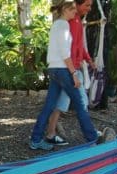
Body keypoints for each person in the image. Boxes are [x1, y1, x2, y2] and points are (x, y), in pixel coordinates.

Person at [30, 0, 101, 150]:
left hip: (54, 69)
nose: (75, 12)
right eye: (73, 10)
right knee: (81, 105)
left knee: (49, 106)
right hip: (63, 70)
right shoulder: (63, 26)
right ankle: (92, 139)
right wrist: (74, 74)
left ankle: (35, 140)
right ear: (66, 10)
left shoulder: (57, 25)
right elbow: (65, 54)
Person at [45, 0, 96, 146]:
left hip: (71, 68)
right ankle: (92, 137)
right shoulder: (69, 22)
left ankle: (50, 133)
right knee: (81, 102)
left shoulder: (77, 20)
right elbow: (67, 49)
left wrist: (87, 58)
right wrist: (72, 72)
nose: (89, 8)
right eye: (87, 5)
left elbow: (80, 44)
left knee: (60, 102)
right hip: (69, 69)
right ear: (77, 5)